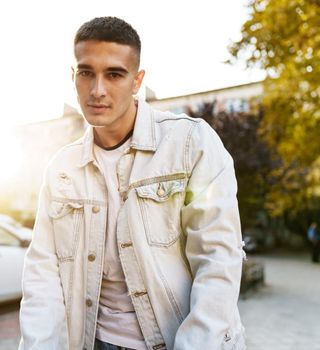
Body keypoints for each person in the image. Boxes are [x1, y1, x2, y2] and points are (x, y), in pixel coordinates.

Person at [19, 17, 246, 350]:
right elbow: (42, 273)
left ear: (137, 80)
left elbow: (218, 260)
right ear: (73, 77)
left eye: (114, 74)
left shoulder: (190, 143)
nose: (97, 90)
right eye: (86, 73)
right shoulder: (61, 168)